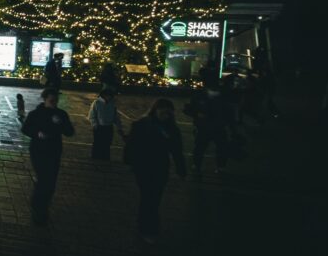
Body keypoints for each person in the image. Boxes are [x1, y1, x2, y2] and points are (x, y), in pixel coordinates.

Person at [124, 98, 186, 243]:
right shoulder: (142, 124)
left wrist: (181, 169)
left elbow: (177, 150)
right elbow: (131, 144)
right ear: (155, 110)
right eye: (162, 111)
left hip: (161, 168)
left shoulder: (171, 129)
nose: (165, 114)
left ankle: (143, 223)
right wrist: (129, 161)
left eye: (167, 112)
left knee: (154, 198)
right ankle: (149, 228)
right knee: (148, 197)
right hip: (143, 167)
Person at [21, 88, 74, 225]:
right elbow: (25, 128)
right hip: (38, 150)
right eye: (51, 100)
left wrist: (60, 123)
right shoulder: (36, 114)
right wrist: (37, 133)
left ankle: (43, 205)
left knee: (51, 182)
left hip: (54, 151)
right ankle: (38, 206)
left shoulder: (61, 114)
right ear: (45, 99)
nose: (54, 103)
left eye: (56, 100)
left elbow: (70, 132)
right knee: (44, 178)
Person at [185, 83, 230, 173]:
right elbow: (189, 109)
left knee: (220, 148)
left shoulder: (222, 97)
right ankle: (197, 165)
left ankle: (220, 166)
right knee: (200, 147)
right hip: (205, 127)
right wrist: (197, 114)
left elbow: (229, 113)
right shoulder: (200, 96)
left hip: (217, 127)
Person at [87, 87, 124, 161]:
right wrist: (95, 125)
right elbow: (92, 115)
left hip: (109, 127)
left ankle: (105, 158)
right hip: (99, 127)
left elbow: (115, 116)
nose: (110, 97)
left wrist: (119, 127)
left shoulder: (112, 104)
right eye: (109, 96)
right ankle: (96, 158)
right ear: (104, 95)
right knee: (97, 143)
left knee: (107, 144)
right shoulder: (96, 103)